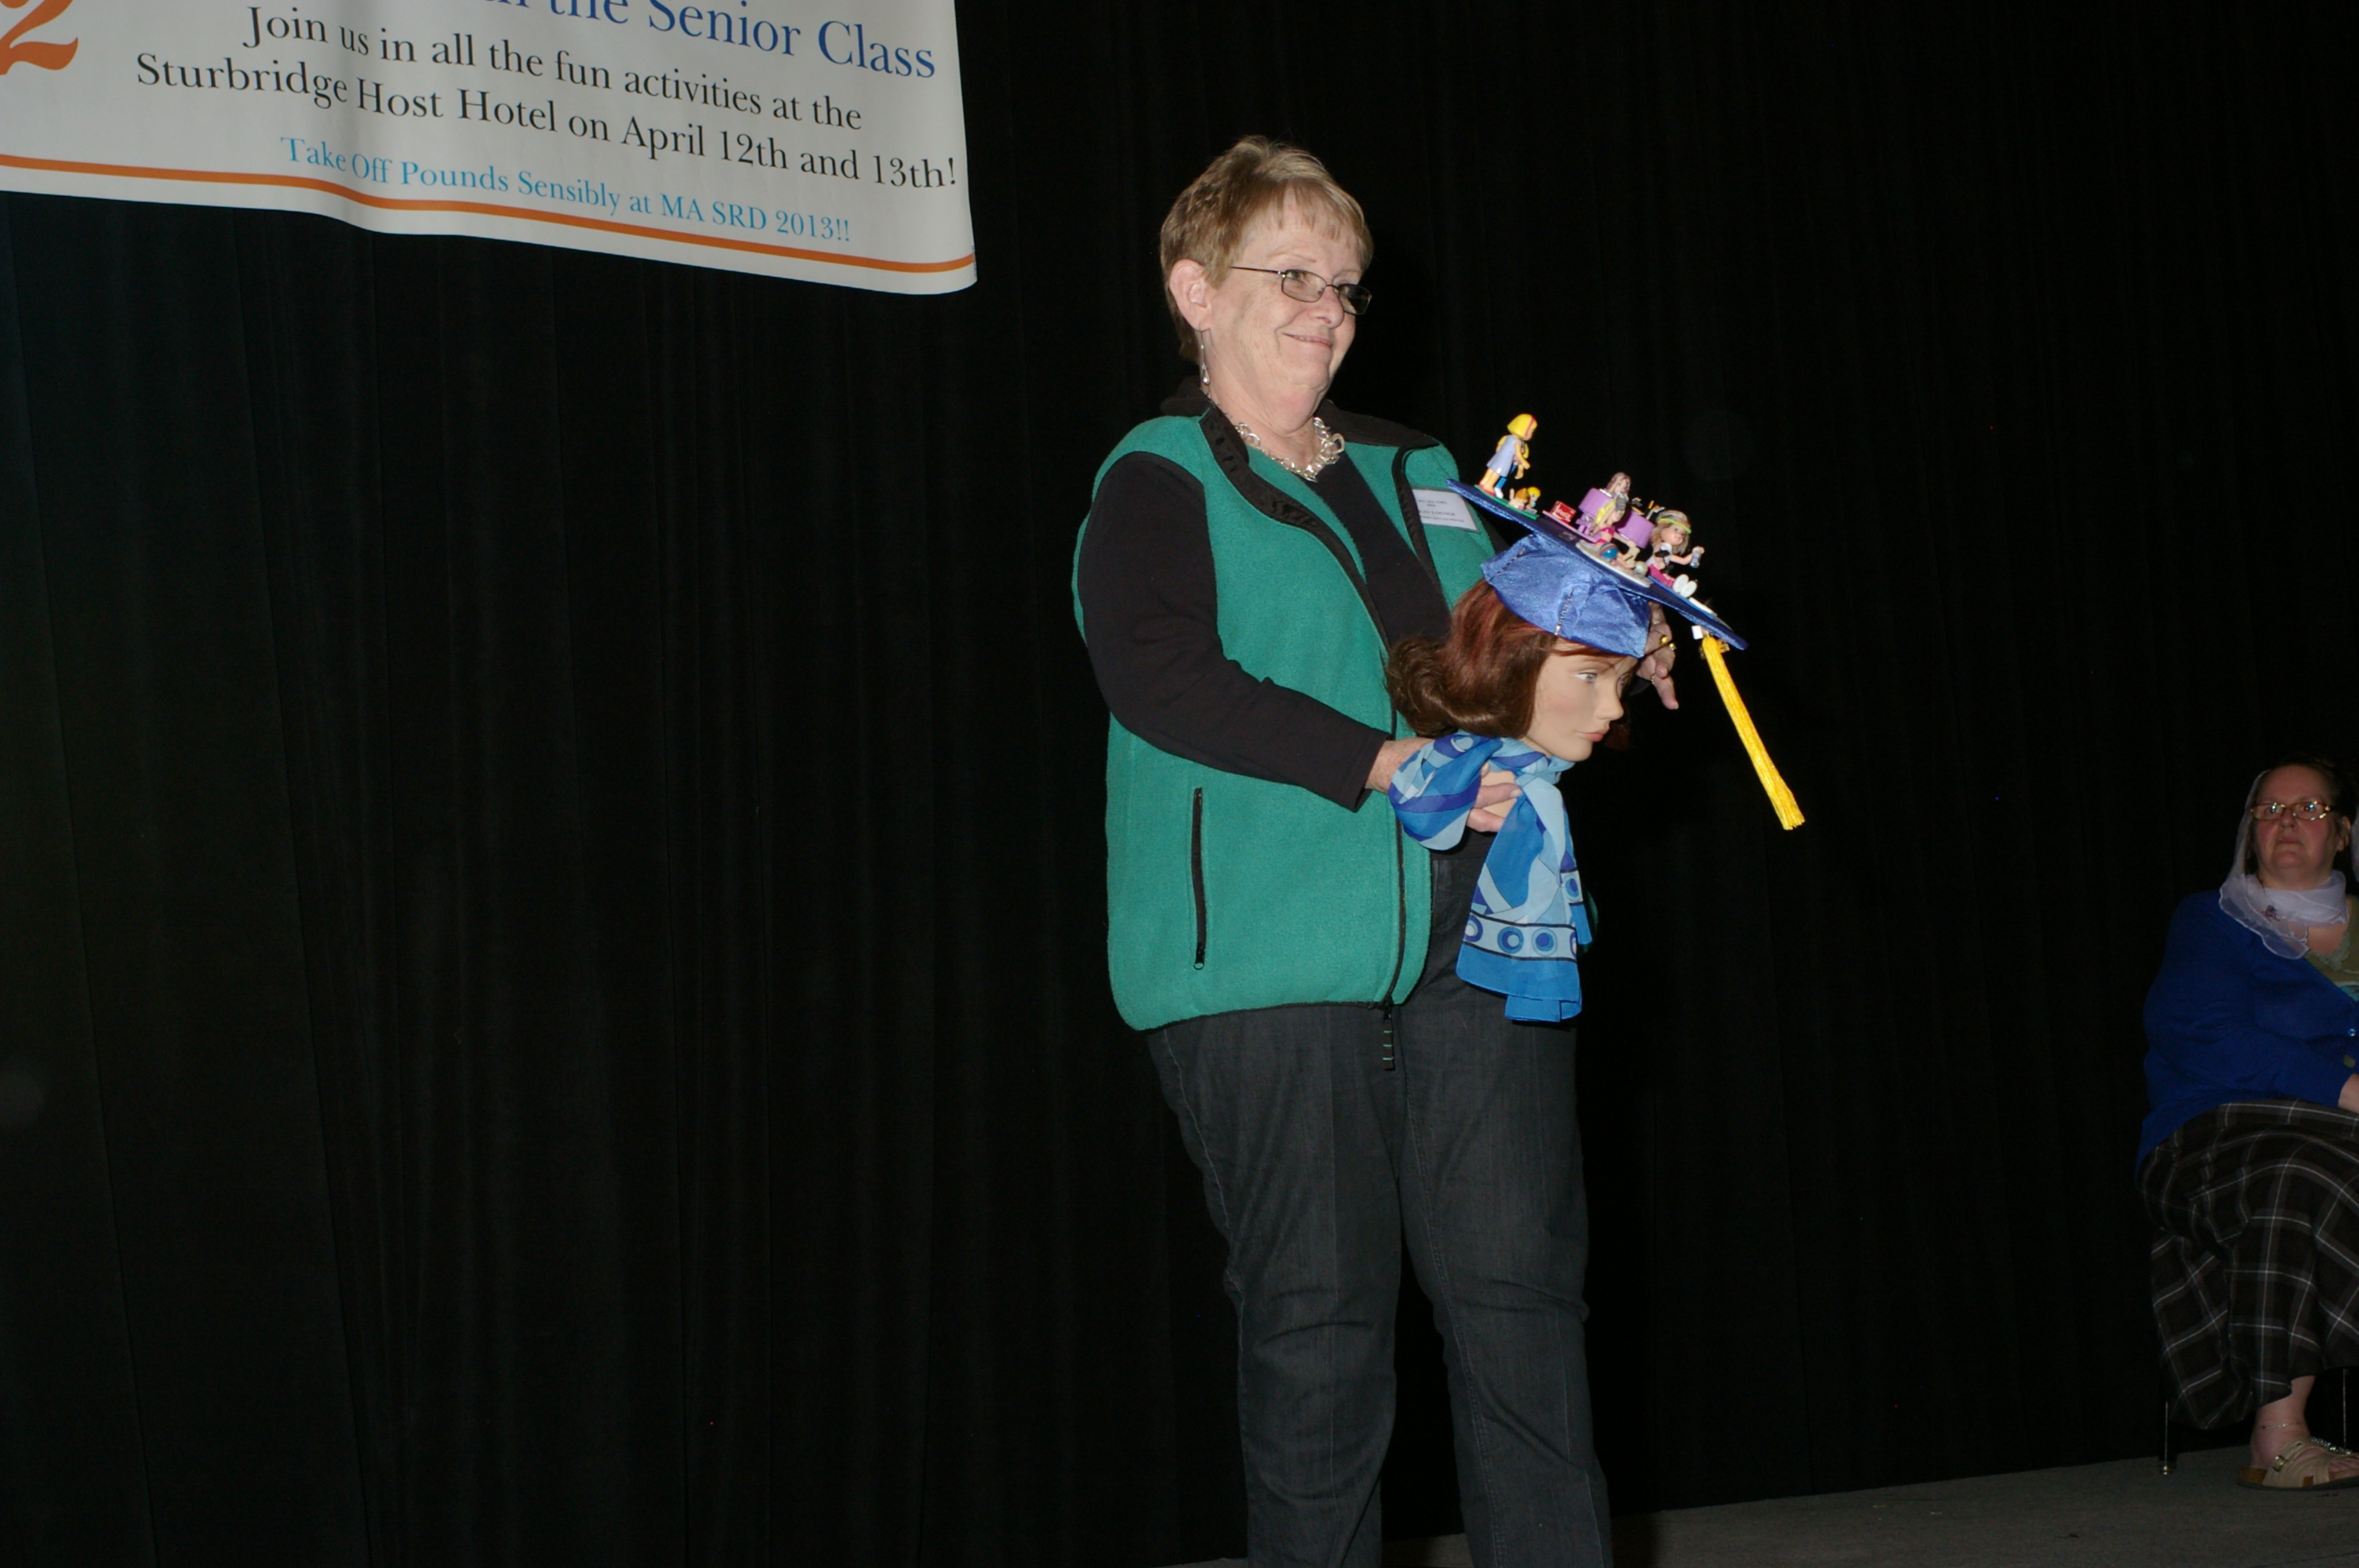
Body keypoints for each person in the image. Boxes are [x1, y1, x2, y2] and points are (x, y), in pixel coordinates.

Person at [1073, 137, 1674, 1567]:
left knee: (1522, 1302)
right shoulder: (1156, 475)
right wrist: (1379, 761)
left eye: (1342, 285)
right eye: (1290, 275)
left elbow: (1484, 659)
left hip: (1478, 931)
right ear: (1194, 292)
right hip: (1268, 956)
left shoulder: (1418, 464)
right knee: (1321, 1331)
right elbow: (1157, 674)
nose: (1326, 309)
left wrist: (1606, 637)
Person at [2141, 755, 2359, 1490]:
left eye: (2309, 809)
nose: (2287, 821)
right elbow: (2204, 1033)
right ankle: (2278, 1436)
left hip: (2340, 1138)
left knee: (2326, 1165)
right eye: (2269, 810)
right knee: (2300, 1174)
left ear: (2343, 834)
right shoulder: (2213, 919)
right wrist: (2346, 1089)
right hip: (2211, 1136)